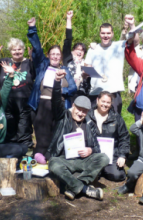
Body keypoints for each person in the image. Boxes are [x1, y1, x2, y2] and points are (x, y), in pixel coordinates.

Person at [46, 71, 110, 201]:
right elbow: (56, 102)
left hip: (82, 160)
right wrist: (57, 82)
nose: (81, 113)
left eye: (84, 111)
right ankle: (85, 189)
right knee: (53, 163)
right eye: (79, 109)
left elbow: (97, 148)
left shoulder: (90, 124)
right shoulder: (63, 117)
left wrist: (90, 150)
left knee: (103, 158)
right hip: (64, 159)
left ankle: (75, 186)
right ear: (73, 106)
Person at [27, 17, 77, 156]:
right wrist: (32, 28)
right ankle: (40, 165)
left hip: (60, 106)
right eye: (52, 54)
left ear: (61, 57)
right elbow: (37, 48)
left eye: (57, 54)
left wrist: (61, 90)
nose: (55, 56)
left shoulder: (65, 70)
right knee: (42, 140)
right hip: (43, 105)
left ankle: (55, 163)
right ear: (48, 56)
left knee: (57, 138)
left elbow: (73, 89)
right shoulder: (42, 66)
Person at [0, 38, 35, 149]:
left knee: (24, 130)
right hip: (7, 102)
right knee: (9, 130)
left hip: (25, 103)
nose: (17, 51)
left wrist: (34, 57)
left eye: (19, 49)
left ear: (23, 50)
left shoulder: (29, 63)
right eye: (14, 50)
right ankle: (11, 153)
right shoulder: (4, 62)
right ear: (10, 51)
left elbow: (38, 72)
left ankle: (26, 154)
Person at [84, 15, 139, 114]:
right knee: (94, 124)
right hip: (95, 93)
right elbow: (86, 68)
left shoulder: (119, 45)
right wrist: (86, 71)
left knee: (114, 125)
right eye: (103, 33)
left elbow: (135, 41)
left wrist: (132, 25)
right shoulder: (93, 49)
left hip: (113, 92)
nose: (106, 35)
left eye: (108, 33)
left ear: (113, 34)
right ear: (100, 34)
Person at [87, 91, 130, 181]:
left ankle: (104, 169)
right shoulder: (87, 116)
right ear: (97, 100)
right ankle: (100, 170)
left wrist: (122, 155)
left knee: (118, 176)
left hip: (111, 155)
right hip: (92, 155)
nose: (105, 104)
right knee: (92, 176)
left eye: (108, 102)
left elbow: (124, 138)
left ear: (111, 104)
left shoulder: (117, 118)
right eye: (103, 101)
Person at [62, 11, 90, 101]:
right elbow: (68, 40)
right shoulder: (68, 59)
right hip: (68, 95)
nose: (80, 52)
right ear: (73, 50)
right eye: (78, 49)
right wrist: (69, 19)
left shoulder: (86, 64)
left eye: (82, 50)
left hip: (82, 96)